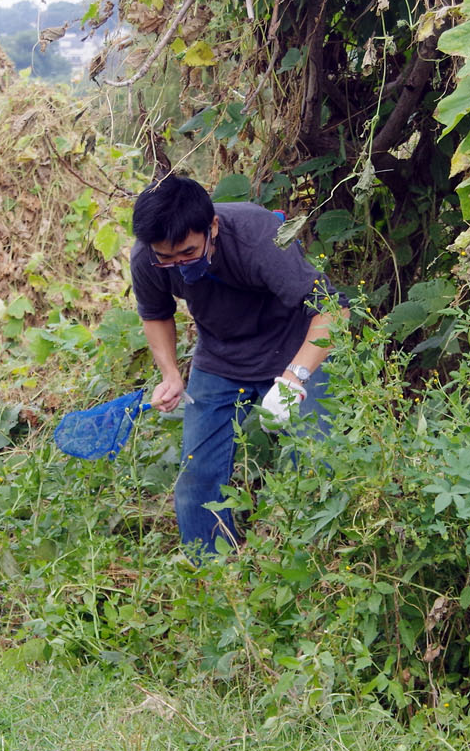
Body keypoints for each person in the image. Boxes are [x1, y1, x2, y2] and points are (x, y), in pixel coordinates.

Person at [129, 175, 344, 555]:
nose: (178, 266)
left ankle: (312, 564)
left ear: (212, 228)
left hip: (294, 348)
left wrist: (295, 379)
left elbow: (333, 309)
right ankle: (210, 572)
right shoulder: (147, 256)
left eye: (189, 253)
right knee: (197, 473)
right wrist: (171, 374)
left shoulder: (258, 235)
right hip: (220, 357)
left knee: (312, 459)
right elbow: (155, 313)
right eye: (168, 259)